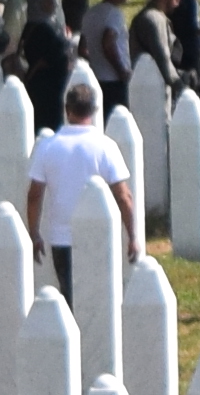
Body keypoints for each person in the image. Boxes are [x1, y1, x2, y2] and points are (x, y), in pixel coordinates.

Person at [27, 73, 136, 268]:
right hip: (98, 234)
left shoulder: (48, 147)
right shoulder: (106, 147)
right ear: (94, 110)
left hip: (61, 238)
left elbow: (34, 196)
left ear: (67, 110)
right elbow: (123, 196)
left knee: (68, 294)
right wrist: (132, 236)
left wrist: (34, 234)